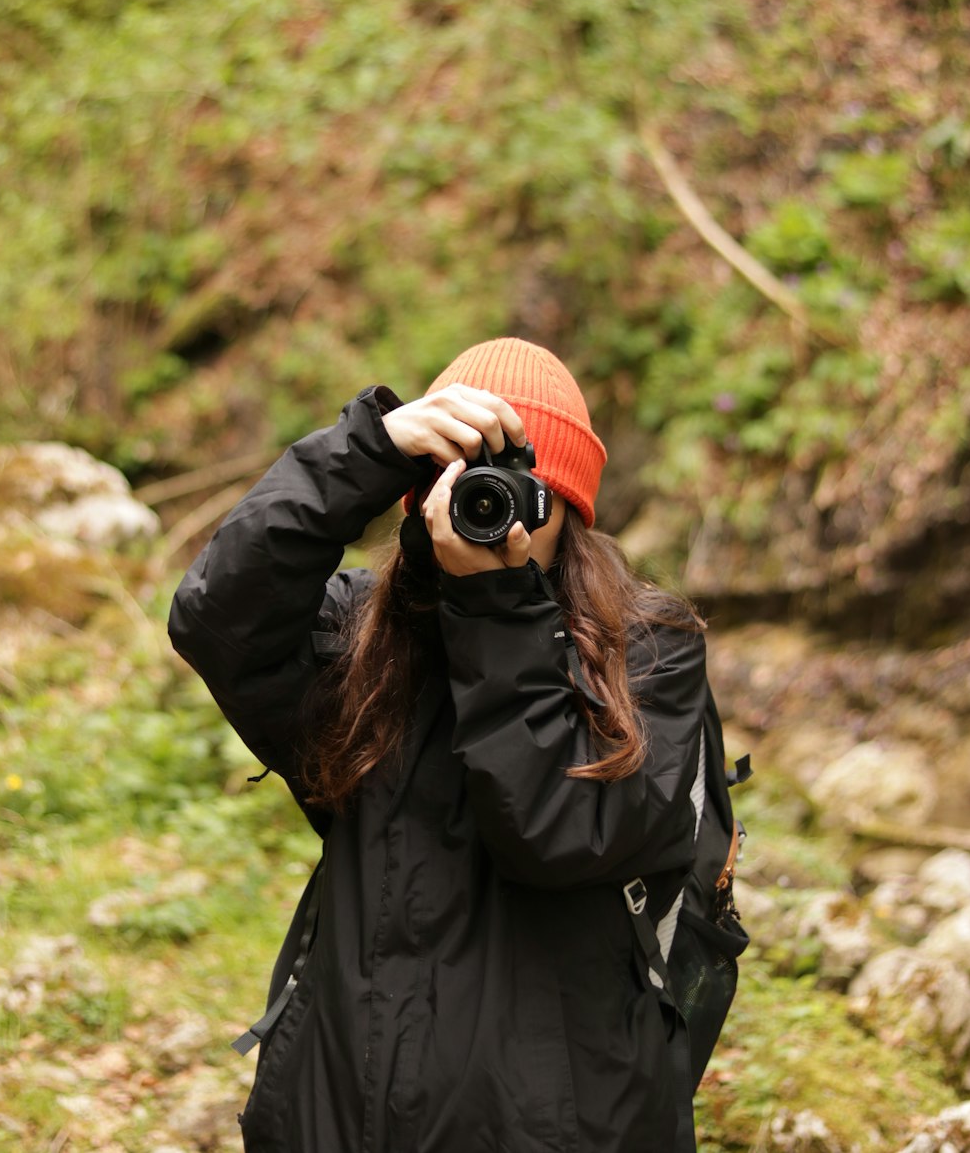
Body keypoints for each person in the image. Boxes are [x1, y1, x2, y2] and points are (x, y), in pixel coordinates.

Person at [168, 337, 712, 1153]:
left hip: (550, 1125)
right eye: (451, 479)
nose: (481, 504)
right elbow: (217, 616)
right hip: (340, 1107)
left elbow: (559, 831)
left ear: (571, 509)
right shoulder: (363, 636)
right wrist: (365, 450)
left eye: (522, 490)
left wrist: (496, 609)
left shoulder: (650, 652)